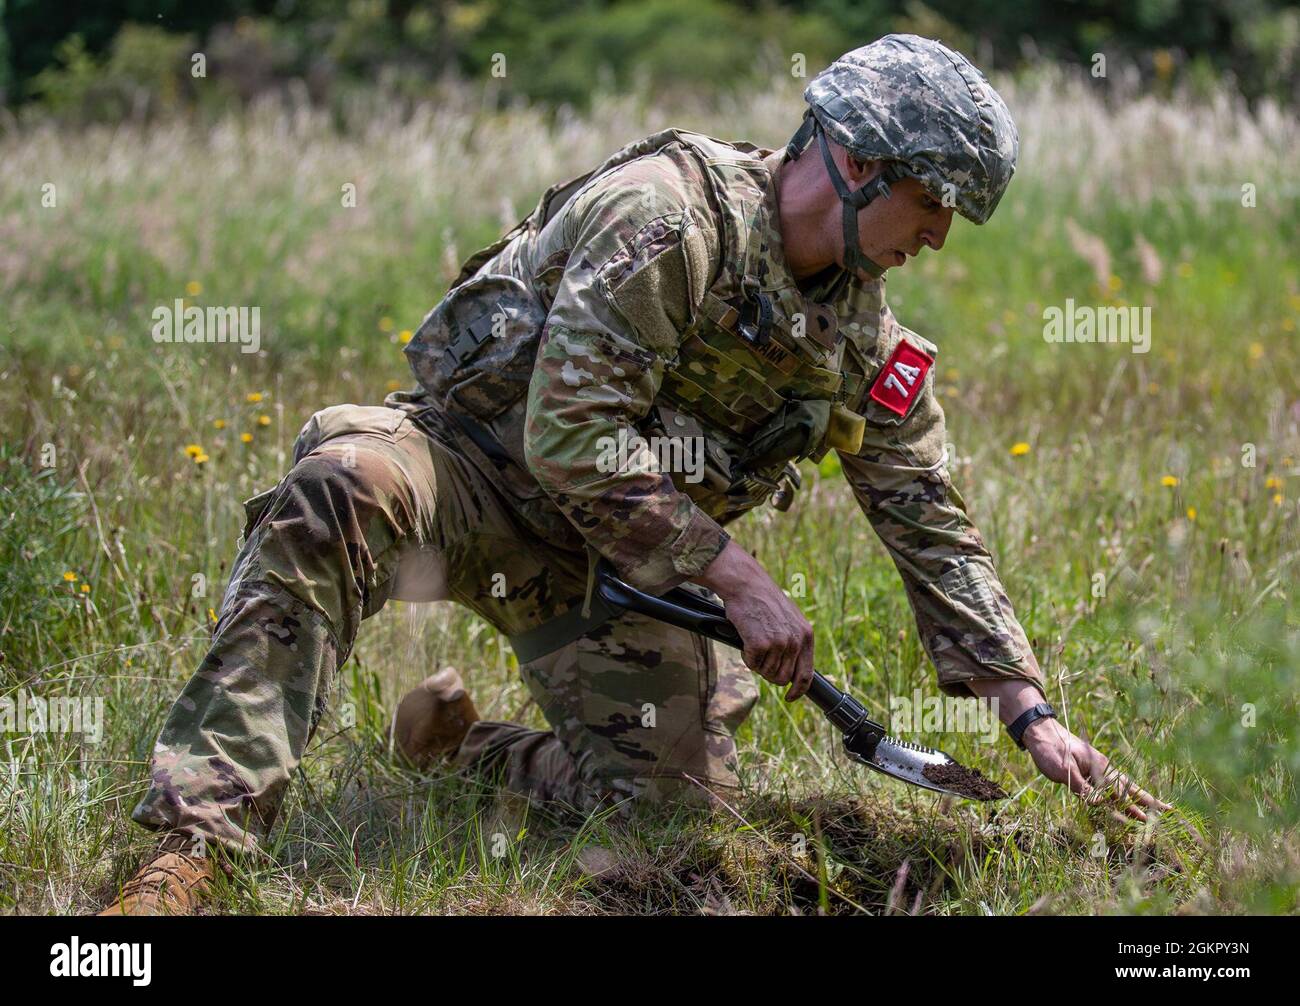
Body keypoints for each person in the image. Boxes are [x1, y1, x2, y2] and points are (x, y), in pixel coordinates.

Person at [101, 34, 1166, 916]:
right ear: (853, 160)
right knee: (342, 486)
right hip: (470, 476)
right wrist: (735, 575)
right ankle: (196, 849)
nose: (939, 233)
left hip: (619, 569)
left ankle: (463, 751)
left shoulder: (865, 346)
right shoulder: (667, 216)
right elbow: (570, 436)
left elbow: (927, 517)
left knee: (671, 825)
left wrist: (1028, 710)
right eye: (932, 198)